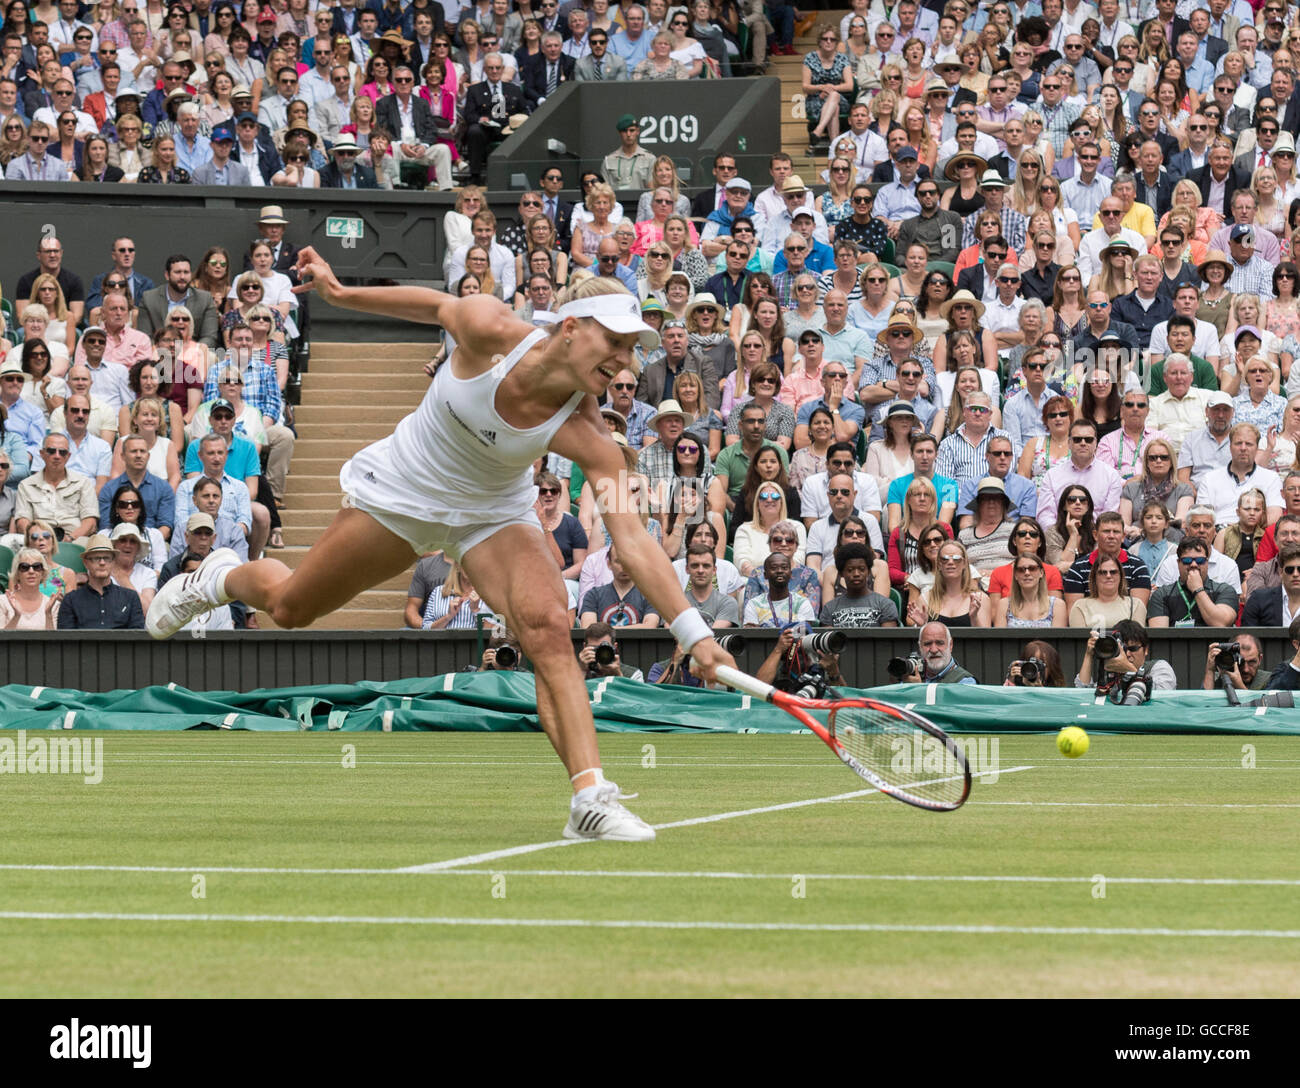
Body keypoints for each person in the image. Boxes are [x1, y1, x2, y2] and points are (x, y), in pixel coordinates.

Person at [55, 532, 145, 629]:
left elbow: (137, 638)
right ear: (86, 563)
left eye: (107, 558)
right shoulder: (71, 600)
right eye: (96, 558)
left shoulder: (130, 598)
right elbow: (66, 640)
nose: (102, 563)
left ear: (113, 562)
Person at [1146, 537, 1239, 626]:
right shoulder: (1162, 594)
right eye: (1187, 560)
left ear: (1207, 563)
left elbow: (1220, 623)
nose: (1193, 564)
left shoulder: (1225, 590)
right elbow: (1160, 637)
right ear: (1178, 563)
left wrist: (1198, 590)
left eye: (1200, 560)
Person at [1075, 619, 1176, 695]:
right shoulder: (1110, 680)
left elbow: (1162, 695)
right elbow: (1082, 693)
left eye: (1133, 648)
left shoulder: (1159, 667)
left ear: (1146, 650)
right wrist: (1089, 654)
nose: (1127, 654)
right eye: (1123, 649)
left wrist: (1128, 669)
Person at [742, 550, 815, 628]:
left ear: (790, 574)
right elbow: (752, 638)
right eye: (774, 568)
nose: (780, 571)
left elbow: (803, 636)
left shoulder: (802, 603)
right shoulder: (754, 604)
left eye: (784, 568)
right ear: (765, 575)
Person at [897, 621, 978, 683]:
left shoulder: (965, 682)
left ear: (950, 645)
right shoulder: (910, 678)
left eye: (939, 643)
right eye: (927, 644)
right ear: (920, 647)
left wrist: (918, 690)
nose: (934, 650)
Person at [1202, 632, 1268, 693]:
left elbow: (1263, 704)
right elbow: (1204, 703)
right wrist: (1210, 670)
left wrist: (1239, 685)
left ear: (1260, 659)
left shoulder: (1268, 680)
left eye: (1251, 662)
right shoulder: (1216, 677)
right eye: (1240, 662)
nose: (1246, 669)